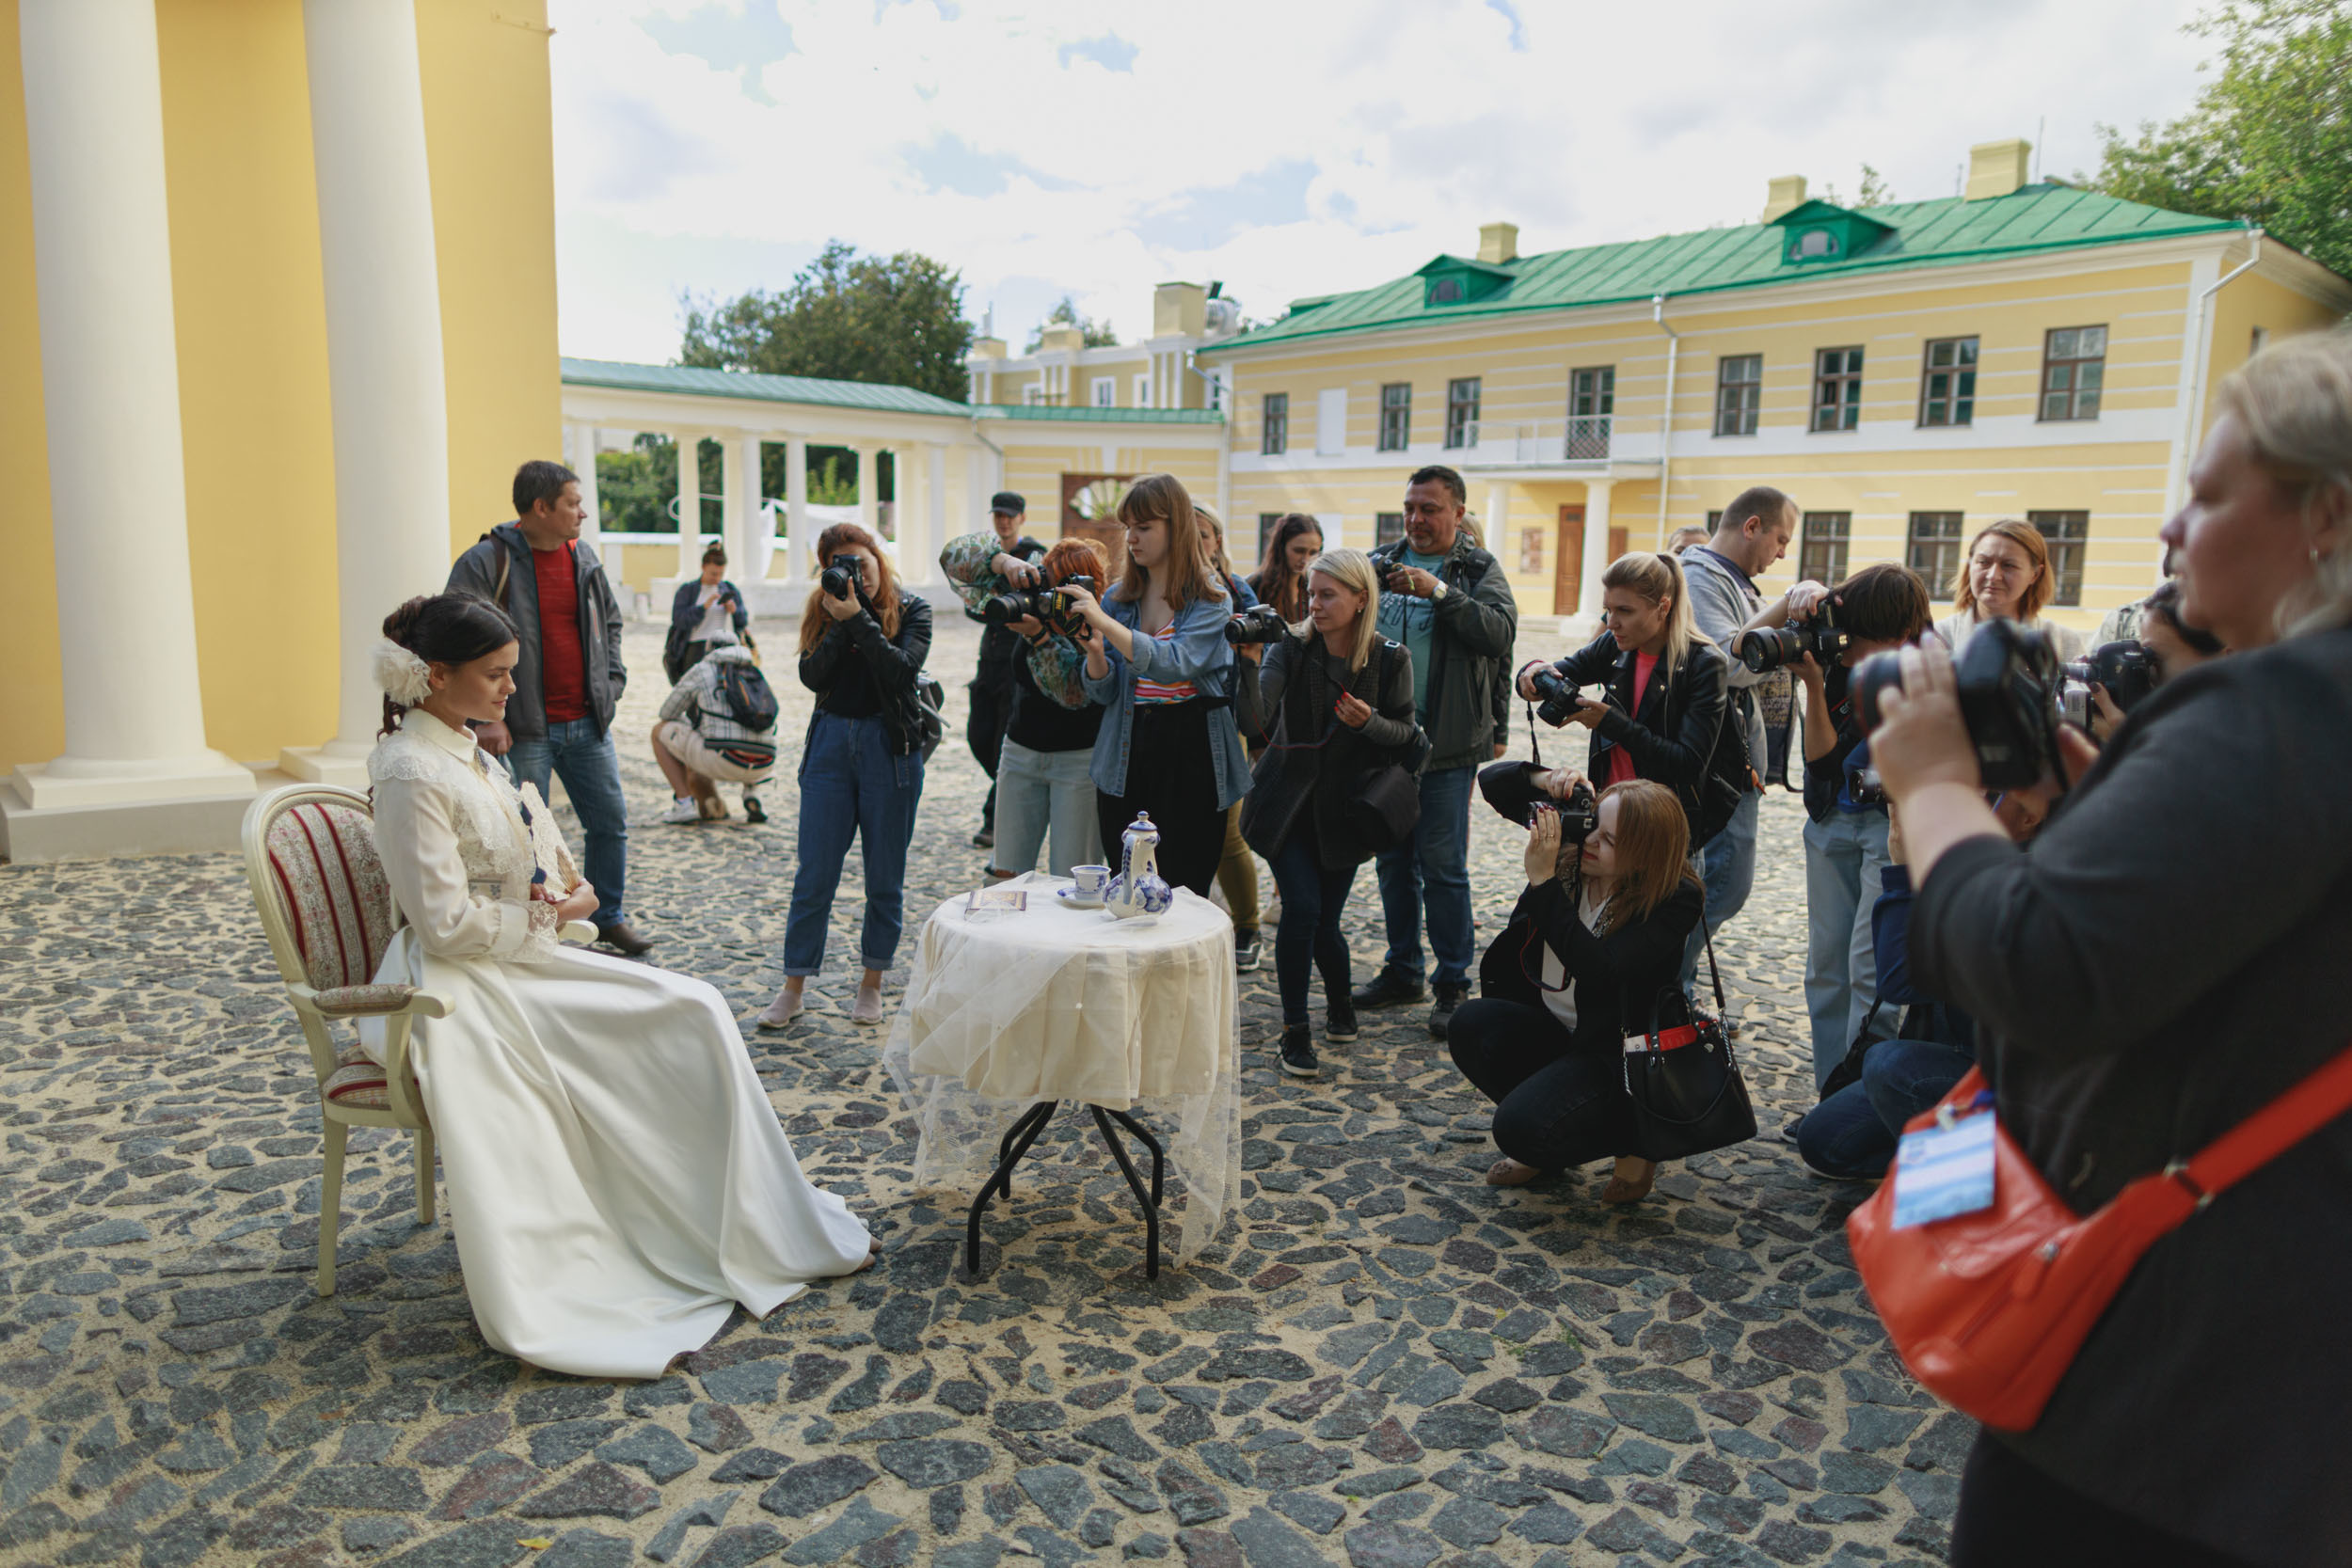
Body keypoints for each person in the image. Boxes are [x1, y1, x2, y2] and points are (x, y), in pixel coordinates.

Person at [1866, 329, 2352, 1565]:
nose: (2173, 530)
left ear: (2327, 514)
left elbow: (2038, 967)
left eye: (2205, 492)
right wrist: (2100, 825)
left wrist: (1932, 790)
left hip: (2169, 1392)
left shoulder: (2288, 703)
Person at [362, 592, 875, 1379]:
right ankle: (670, 1225)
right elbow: (440, 922)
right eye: (495, 674)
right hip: (460, 985)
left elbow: (537, 853)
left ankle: (725, 1217)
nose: (509, 690)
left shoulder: (472, 751)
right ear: (435, 675)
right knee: (683, 1014)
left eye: (511, 673)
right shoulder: (407, 770)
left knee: (697, 1002)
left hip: (519, 955)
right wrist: (540, 916)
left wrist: (568, 893)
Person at [1447, 777, 1704, 1204]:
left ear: (1645, 854)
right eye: (1592, 826)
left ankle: (1636, 1144)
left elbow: (1600, 969)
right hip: (1558, 1025)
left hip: (1614, 1054)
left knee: (1516, 1128)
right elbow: (1495, 781)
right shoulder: (1573, 861)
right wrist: (1544, 781)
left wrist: (1544, 886)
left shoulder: (1674, 896)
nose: (1590, 842)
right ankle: (1547, 1137)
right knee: (1471, 1023)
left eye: (1609, 840)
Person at [1789, 789, 2048, 1180]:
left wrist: (1903, 867)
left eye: (1989, 795)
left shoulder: (2027, 884)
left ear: (2030, 816)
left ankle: (1981, 1180)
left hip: (2011, 1082)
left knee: (1888, 1065)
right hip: (1955, 1058)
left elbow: (1900, 980)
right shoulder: (1970, 862)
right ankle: (1939, 1153)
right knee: (1822, 1140)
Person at [1745, 561, 1934, 1091]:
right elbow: (1739, 647)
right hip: (1830, 822)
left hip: (1890, 832)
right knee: (1825, 969)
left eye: (1863, 640)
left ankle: (1861, 1099)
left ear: (1901, 636)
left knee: (1868, 972)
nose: (1848, 648)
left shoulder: (1929, 677)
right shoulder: (1838, 658)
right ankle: (1832, 1094)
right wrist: (1796, 600)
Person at [446, 461, 648, 956]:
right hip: (526, 731)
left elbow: (612, 624)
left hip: (588, 725)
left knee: (610, 823)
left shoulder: (585, 560)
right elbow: (454, 639)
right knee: (532, 838)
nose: (583, 513)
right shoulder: (485, 562)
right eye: (573, 503)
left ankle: (607, 918)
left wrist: (611, 683)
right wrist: (485, 719)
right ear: (541, 508)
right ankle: (548, 927)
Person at [1233, 548, 1416, 1081]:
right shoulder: (1288, 648)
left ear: (1361, 599)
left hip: (1348, 812)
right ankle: (1295, 1031)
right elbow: (1254, 721)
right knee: (1303, 910)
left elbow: (1406, 735)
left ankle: (1340, 1003)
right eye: (1311, 593)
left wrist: (1370, 722)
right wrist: (1247, 659)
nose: (1315, 603)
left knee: (1325, 924)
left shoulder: (1391, 658)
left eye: (1328, 594)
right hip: (1286, 804)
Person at [1354, 465, 1520, 1038]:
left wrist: (1440, 593)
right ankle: (1403, 970)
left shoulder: (1475, 569)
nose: (1416, 519)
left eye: (1429, 508)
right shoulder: (1377, 564)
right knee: (1393, 862)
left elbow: (1499, 635)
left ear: (1457, 512)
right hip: (1384, 743)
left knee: (1443, 868)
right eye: (1409, 507)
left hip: (1446, 748)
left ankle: (1453, 983)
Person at [757, 523, 932, 1030]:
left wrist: (860, 620)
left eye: (863, 562)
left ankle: (871, 983)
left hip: (890, 749)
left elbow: (901, 670)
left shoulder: (913, 610)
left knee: (885, 879)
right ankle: (793, 987)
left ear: (878, 557)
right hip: (831, 747)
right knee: (813, 877)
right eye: (844, 566)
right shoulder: (824, 607)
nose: (858, 574)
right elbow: (812, 677)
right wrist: (839, 620)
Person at [1062, 474, 1252, 898]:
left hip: (1193, 751)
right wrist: (1095, 652)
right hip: (1127, 749)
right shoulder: (1118, 598)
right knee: (1128, 888)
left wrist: (1105, 624)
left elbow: (1175, 664)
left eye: (1144, 527)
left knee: (1184, 892)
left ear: (1177, 528)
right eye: (1128, 527)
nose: (1131, 538)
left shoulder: (1211, 597)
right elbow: (1105, 693)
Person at [1514, 550, 1736, 849]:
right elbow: (1557, 673)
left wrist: (1611, 723)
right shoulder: (1615, 644)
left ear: (1663, 607)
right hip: (1609, 818)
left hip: (1664, 829)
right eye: (1607, 610)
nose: (1612, 623)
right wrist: (1532, 672)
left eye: (1625, 611)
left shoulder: (1704, 664)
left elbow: (1688, 763)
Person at [1677, 488, 1801, 989]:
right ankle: (1668, 990)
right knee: (1720, 883)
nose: (1783, 554)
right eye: (1780, 539)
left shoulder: (1733, 581)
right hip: (1716, 759)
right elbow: (1726, 664)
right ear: (1751, 527)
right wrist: (1786, 613)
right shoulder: (1700, 577)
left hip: (1733, 755)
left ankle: (1673, 989)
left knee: (1724, 883)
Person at [938, 532, 1106, 878]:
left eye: (1062, 591)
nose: (1050, 599)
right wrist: (1003, 561)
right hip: (1020, 752)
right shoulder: (1034, 598)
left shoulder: (1102, 623)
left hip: (1079, 762)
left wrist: (1039, 638)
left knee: (1075, 879)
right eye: (1048, 587)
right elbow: (952, 558)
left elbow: (1073, 694)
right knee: (1005, 876)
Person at [1199, 506, 1266, 970]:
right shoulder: (1160, 588)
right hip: (1174, 721)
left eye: (1202, 534)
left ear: (1217, 540)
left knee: (1228, 834)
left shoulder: (1238, 589)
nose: (1196, 543)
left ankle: (1247, 926)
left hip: (1224, 719)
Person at [963, 492, 1048, 851]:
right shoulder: (990, 558)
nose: (1004, 521)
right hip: (990, 657)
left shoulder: (1035, 555)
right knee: (979, 736)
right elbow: (972, 601)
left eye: (1010, 515)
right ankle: (1008, 791)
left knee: (1003, 739)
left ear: (1022, 518)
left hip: (1018, 658)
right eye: (999, 514)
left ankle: (994, 817)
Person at [652, 642, 778, 825]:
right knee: (750, 732)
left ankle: (684, 803)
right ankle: (752, 793)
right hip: (765, 763)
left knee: (658, 731)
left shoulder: (702, 669)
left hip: (722, 759)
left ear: (709, 649)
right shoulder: (754, 670)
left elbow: (667, 712)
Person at [1930, 517, 2087, 663]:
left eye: (2008, 565)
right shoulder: (1938, 638)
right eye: (1984, 562)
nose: (1993, 576)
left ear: (2035, 574)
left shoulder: (2064, 644)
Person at [665, 544, 750, 685]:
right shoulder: (687, 590)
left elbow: (743, 621)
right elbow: (678, 619)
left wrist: (734, 610)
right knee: (694, 690)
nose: (716, 578)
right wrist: (703, 608)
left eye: (720, 574)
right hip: (696, 647)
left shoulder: (729, 589)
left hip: (725, 647)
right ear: (703, 567)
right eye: (713, 574)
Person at [1248, 513, 1324, 626]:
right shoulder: (1255, 586)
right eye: (1299, 551)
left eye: (1313, 553)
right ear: (1281, 547)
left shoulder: (1312, 588)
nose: (1305, 560)